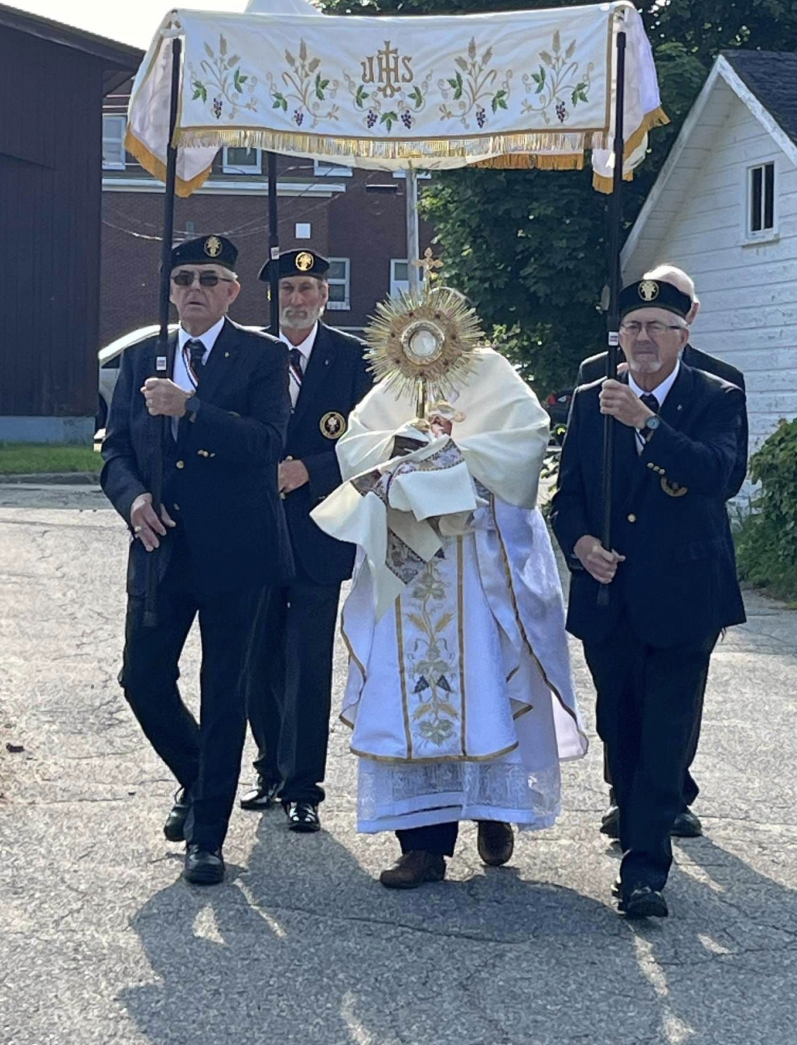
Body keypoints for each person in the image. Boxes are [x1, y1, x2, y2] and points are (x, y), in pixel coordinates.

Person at [312, 328, 587, 890]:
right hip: (410, 563)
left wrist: (455, 455)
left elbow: (526, 443)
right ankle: (423, 846)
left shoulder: (490, 371)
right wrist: (403, 448)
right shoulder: (394, 382)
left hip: (477, 567)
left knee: (486, 686)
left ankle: (494, 811)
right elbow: (356, 446)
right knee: (410, 696)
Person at [101, 234, 293, 886]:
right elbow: (115, 451)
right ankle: (199, 777)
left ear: (233, 290)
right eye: (183, 277)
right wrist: (132, 501)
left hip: (236, 548)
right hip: (161, 545)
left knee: (224, 690)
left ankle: (207, 836)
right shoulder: (142, 358)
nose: (194, 289)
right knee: (143, 679)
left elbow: (268, 442)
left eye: (209, 278)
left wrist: (193, 409)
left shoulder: (262, 357)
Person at [552, 277, 746, 918]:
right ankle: (633, 815)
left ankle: (644, 871)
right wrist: (579, 543)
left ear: (682, 336)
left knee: (666, 730)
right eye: (633, 327)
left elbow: (720, 475)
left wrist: (649, 424)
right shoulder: (590, 400)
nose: (642, 339)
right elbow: (568, 495)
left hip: (686, 591)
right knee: (621, 723)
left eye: (657, 327)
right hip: (611, 594)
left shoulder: (716, 396)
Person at [241, 249, 372, 832]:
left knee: (307, 659)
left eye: (307, 289)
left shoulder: (353, 359)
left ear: (325, 296)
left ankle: (303, 786)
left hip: (320, 529)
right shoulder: (248, 353)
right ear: (272, 297)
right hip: (255, 527)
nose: (296, 300)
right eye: (287, 290)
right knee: (255, 655)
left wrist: (310, 469)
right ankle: (269, 765)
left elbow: (373, 440)